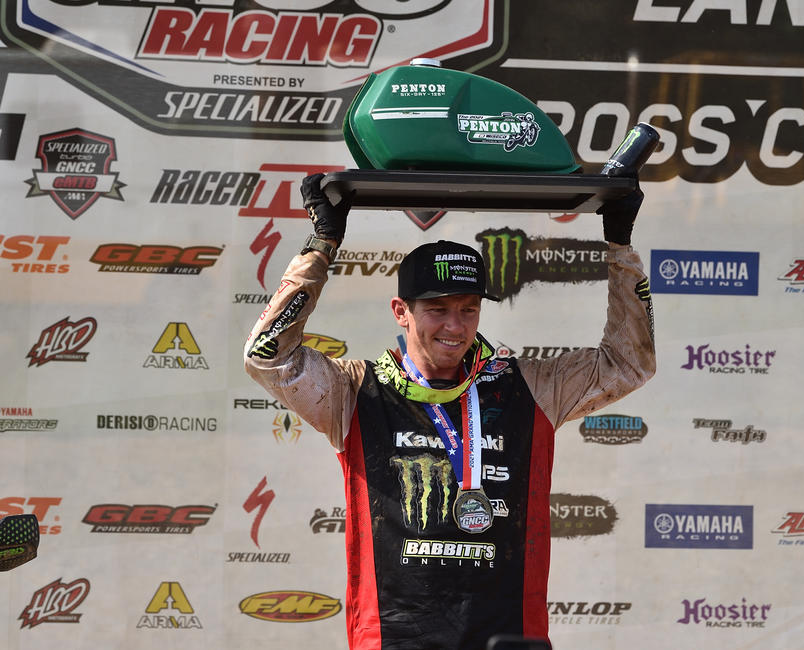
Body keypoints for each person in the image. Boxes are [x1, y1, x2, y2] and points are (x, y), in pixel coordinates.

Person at [243, 173, 656, 650]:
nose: (455, 327)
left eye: (468, 308)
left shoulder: (530, 385)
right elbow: (267, 355)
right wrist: (321, 245)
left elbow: (629, 363)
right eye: (437, 309)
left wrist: (620, 246)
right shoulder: (354, 390)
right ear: (401, 310)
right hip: (393, 637)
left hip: (508, 637)